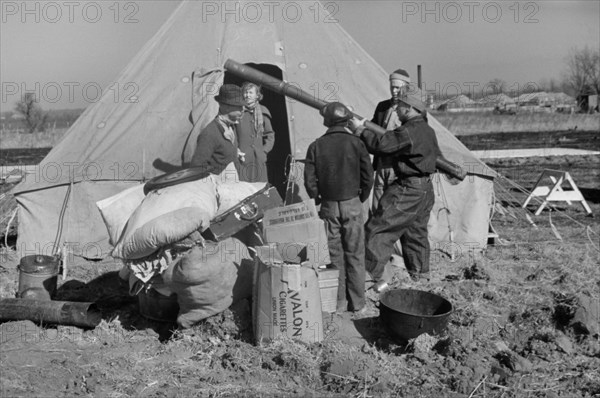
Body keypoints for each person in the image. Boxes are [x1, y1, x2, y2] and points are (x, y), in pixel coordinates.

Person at [350, 94, 440, 292]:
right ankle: (422, 281)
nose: (396, 111)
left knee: (378, 229)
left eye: (399, 107)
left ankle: (364, 282)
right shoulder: (427, 130)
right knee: (415, 234)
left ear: (408, 108)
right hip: (425, 189)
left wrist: (359, 130)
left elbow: (383, 145)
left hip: (408, 189)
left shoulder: (409, 130)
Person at [304, 102, 374, 313]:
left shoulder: (316, 146)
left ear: (327, 121)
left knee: (334, 256)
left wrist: (317, 197)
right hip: (352, 204)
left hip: (329, 207)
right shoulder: (357, 143)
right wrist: (361, 196)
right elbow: (368, 176)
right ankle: (358, 303)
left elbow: (309, 180)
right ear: (345, 121)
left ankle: (338, 303)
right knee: (355, 253)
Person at [371, 68, 411, 212]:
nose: (394, 91)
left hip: (399, 167)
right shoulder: (382, 107)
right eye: (392, 87)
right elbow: (372, 129)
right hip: (382, 164)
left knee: (396, 209)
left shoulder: (411, 110)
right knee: (377, 208)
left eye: (397, 88)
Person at [190, 84, 245, 176]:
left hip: (231, 185)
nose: (243, 109)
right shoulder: (210, 133)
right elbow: (197, 167)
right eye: (239, 106)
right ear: (226, 106)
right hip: (217, 187)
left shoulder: (231, 127)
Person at [235, 82, 275, 182]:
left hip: (259, 158)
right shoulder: (237, 112)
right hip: (242, 159)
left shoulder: (263, 111)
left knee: (260, 189)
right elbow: (233, 134)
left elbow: (270, 135)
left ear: (257, 95)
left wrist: (264, 150)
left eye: (250, 92)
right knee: (243, 189)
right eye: (245, 92)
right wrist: (236, 150)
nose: (247, 95)